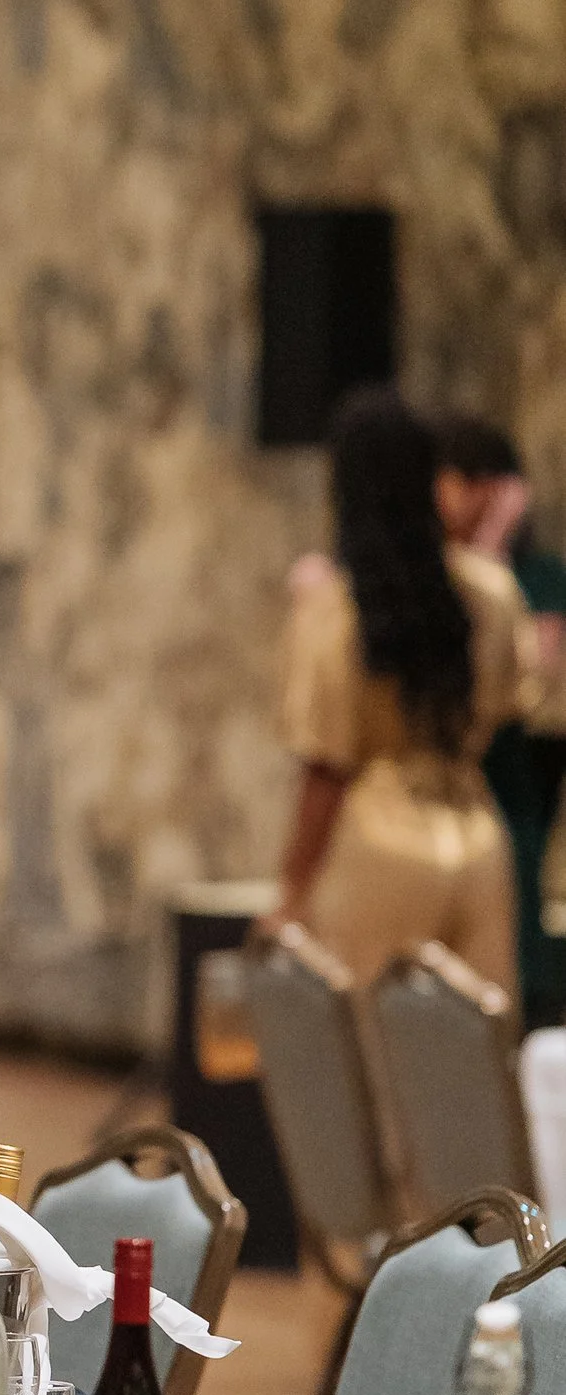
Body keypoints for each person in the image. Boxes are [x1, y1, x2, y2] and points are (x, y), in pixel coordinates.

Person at [275, 387, 536, 997]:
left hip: (375, 845)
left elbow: (326, 766)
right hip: (478, 840)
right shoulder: (489, 594)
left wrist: (291, 890)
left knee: (365, 1056)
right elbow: (511, 703)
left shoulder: (337, 610)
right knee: (472, 1060)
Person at [440, 411, 566, 1020]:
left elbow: (531, 682)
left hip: (513, 789)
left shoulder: (539, 579)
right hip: (443, 794)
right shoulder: (430, 578)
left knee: (510, 957)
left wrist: (489, 547)